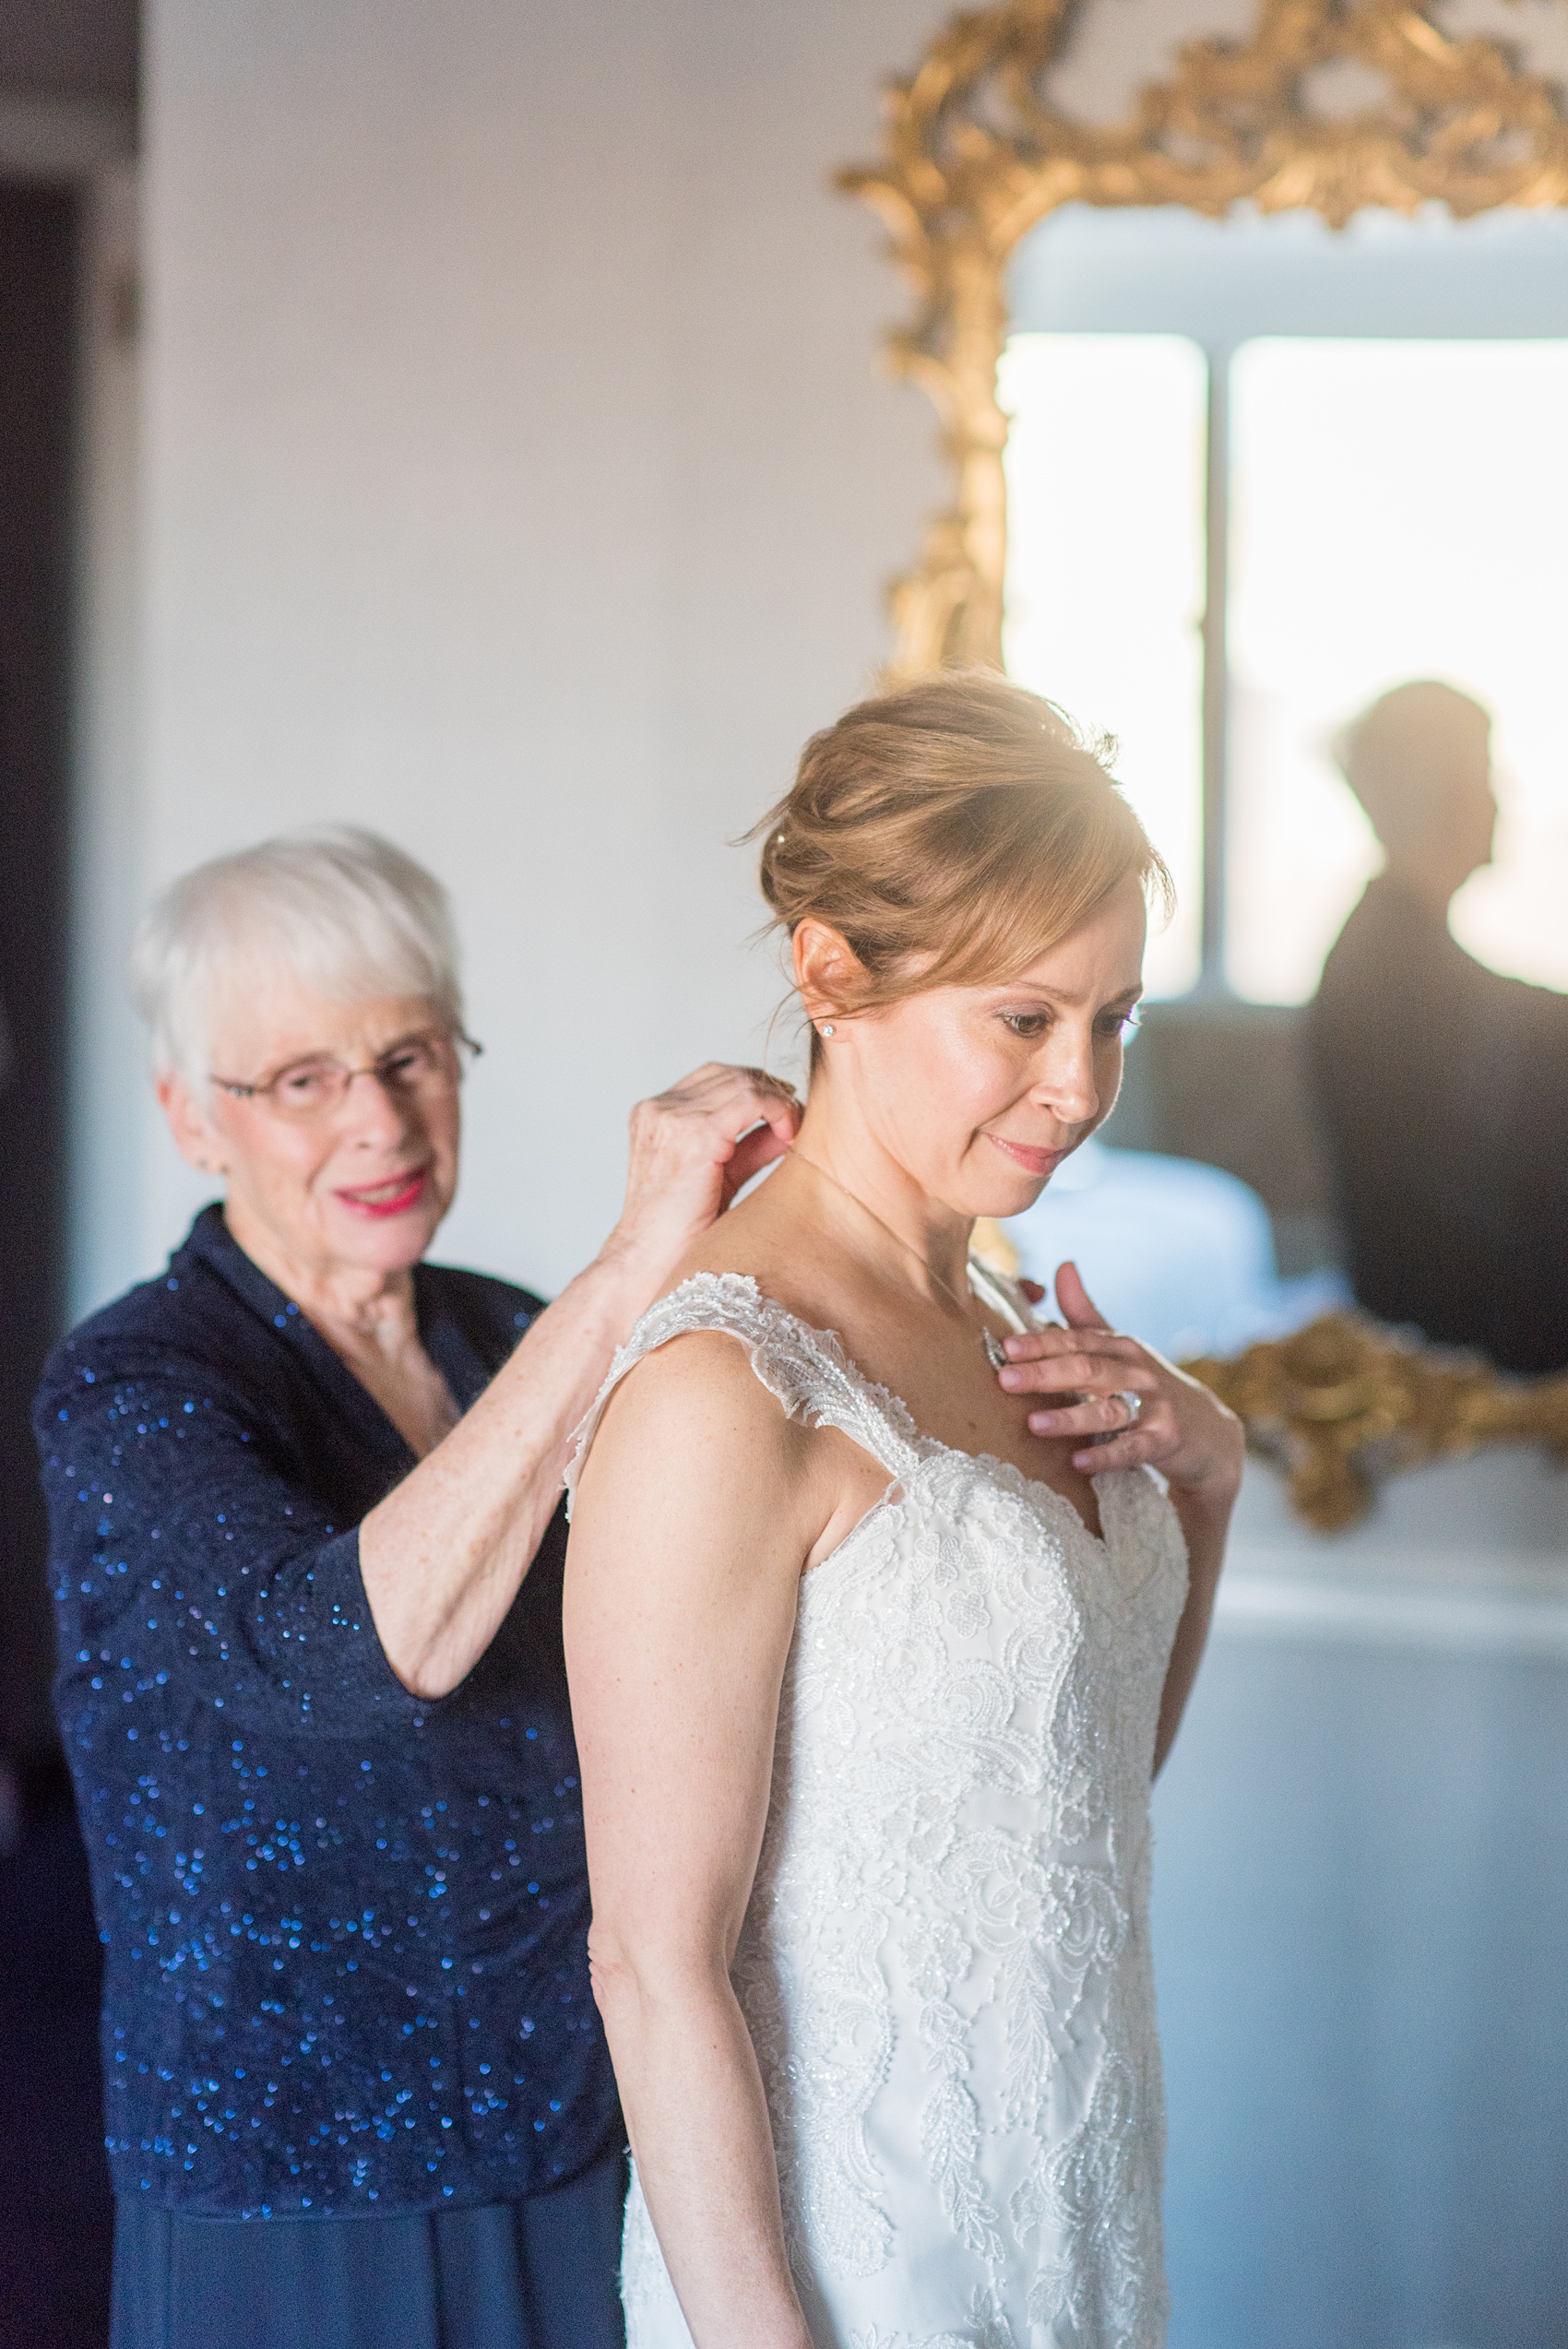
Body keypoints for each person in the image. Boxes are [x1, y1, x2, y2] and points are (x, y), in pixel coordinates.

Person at [33, 825, 800, 2349]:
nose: (378, 1120)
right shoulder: (132, 1383)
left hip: (579, 2138)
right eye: (301, 1078)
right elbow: (347, 1651)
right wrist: (631, 1264)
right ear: (192, 1115)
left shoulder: (496, 1328)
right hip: (296, 2197)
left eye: (411, 1054)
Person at [564, 675, 1243, 2349]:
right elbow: (654, 1964)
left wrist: (1209, 1476)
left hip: (1075, 2208)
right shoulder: (725, 1387)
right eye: (1023, 1019)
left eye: (1116, 1018)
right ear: (829, 969)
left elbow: (1075, 1798)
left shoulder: (1024, 1324)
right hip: (849, 2270)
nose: (1078, 1085)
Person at [1310, 679, 1568, 1373]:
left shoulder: (1399, 955)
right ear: (1446, 793)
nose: (1502, 796)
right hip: (1459, 1358)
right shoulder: (1393, 973)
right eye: (1488, 773)